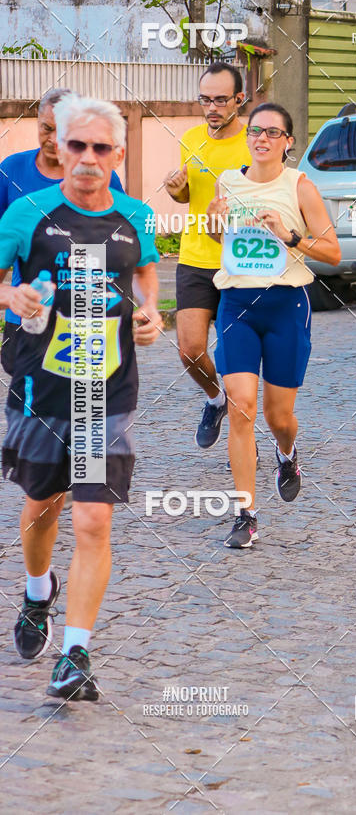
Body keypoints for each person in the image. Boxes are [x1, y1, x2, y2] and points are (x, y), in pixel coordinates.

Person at [0, 96, 162, 700]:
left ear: (118, 153)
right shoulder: (27, 213)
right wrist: (11, 296)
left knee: (93, 518)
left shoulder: (136, 216)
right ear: (59, 148)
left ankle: (75, 655)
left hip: (107, 389)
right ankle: (37, 589)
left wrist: (150, 312)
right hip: (41, 386)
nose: (88, 158)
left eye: (101, 148)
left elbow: (146, 272)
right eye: (77, 145)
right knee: (42, 506)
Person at [206, 102, 341, 549]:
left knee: (278, 417)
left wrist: (290, 236)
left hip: (286, 305)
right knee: (241, 406)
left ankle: (286, 453)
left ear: (288, 142)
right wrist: (213, 224)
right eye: (255, 131)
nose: (261, 138)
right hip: (236, 305)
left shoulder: (300, 186)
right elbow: (221, 238)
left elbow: (333, 252)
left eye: (272, 132)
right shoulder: (227, 181)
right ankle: (246, 515)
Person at [0, 88, 124, 376]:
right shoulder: (11, 171)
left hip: (84, 316)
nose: (54, 139)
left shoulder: (103, 175)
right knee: (31, 396)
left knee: (80, 398)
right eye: (47, 128)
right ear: (37, 122)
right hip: (28, 318)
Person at [164, 62, 250, 448]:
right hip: (195, 256)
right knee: (190, 350)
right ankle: (215, 400)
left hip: (240, 259)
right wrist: (176, 190)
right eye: (205, 100)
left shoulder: (255, 141)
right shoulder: (191, 138)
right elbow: (189, 196)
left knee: (236, 360)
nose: (211, 108)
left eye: (220, 100)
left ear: (239, 99)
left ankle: (243, 439)